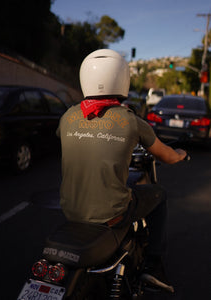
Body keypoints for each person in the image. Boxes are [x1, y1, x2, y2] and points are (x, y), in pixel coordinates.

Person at [56, 49, 186, 284]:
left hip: (70, 211)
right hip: (110, 215)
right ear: (122, 78)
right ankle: (154, 263)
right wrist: (180, 154)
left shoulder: (67, 117)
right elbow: (166, 156)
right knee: (159, 195)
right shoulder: (131, 121)